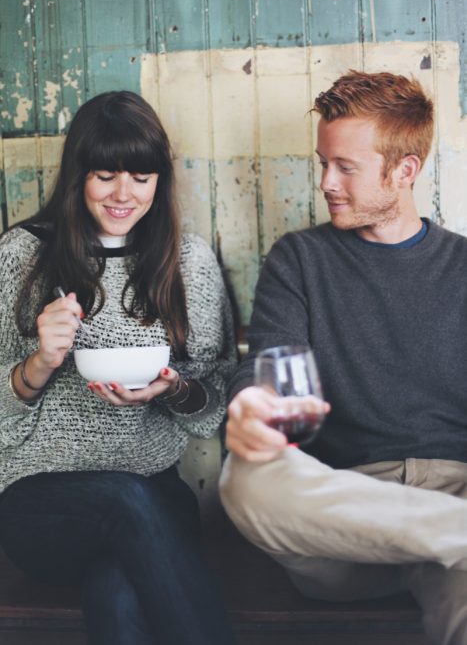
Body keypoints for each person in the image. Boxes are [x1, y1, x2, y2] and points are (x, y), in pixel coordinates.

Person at [219, 70, 467, 645]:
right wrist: (252, 405)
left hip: (457, 496)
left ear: (403, 171)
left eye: (345, 167)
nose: (327, 182)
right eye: (322, 163)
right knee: (245, 480)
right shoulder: (300, 259)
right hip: (344, 522)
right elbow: (265, 376)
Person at [0, 91, 237, 645]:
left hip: (154, 496)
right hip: (40, 501)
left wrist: (172, 389)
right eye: (105, 175)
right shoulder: (22, 254)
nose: (124, 194)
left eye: (142, 176)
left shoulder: (188, 261)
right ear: (78, 175)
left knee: (117, 588)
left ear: (160, 179)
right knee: (124, 500)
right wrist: (38, 363)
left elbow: (211, 409)